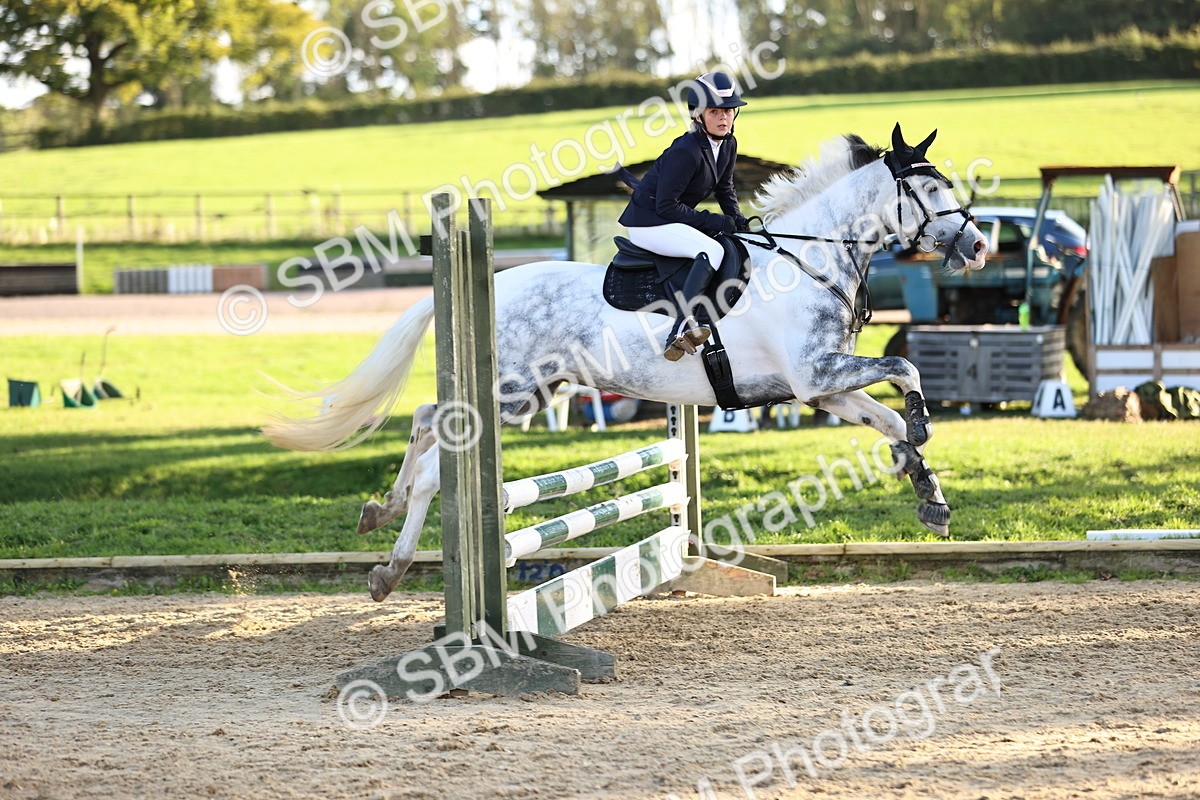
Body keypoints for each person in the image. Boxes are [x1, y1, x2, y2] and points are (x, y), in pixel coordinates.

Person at [618, 71, 750, 361]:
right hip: (648, 222)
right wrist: (714, 221)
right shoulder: (686, 150)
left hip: (670, 218)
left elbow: (725, 189)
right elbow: (666, 207)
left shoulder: (728, 144)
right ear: (697, 115)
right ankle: (681, 328)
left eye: (729, 111)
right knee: (711, 250)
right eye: (715, 111)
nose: (724, 118)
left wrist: (739, 221)